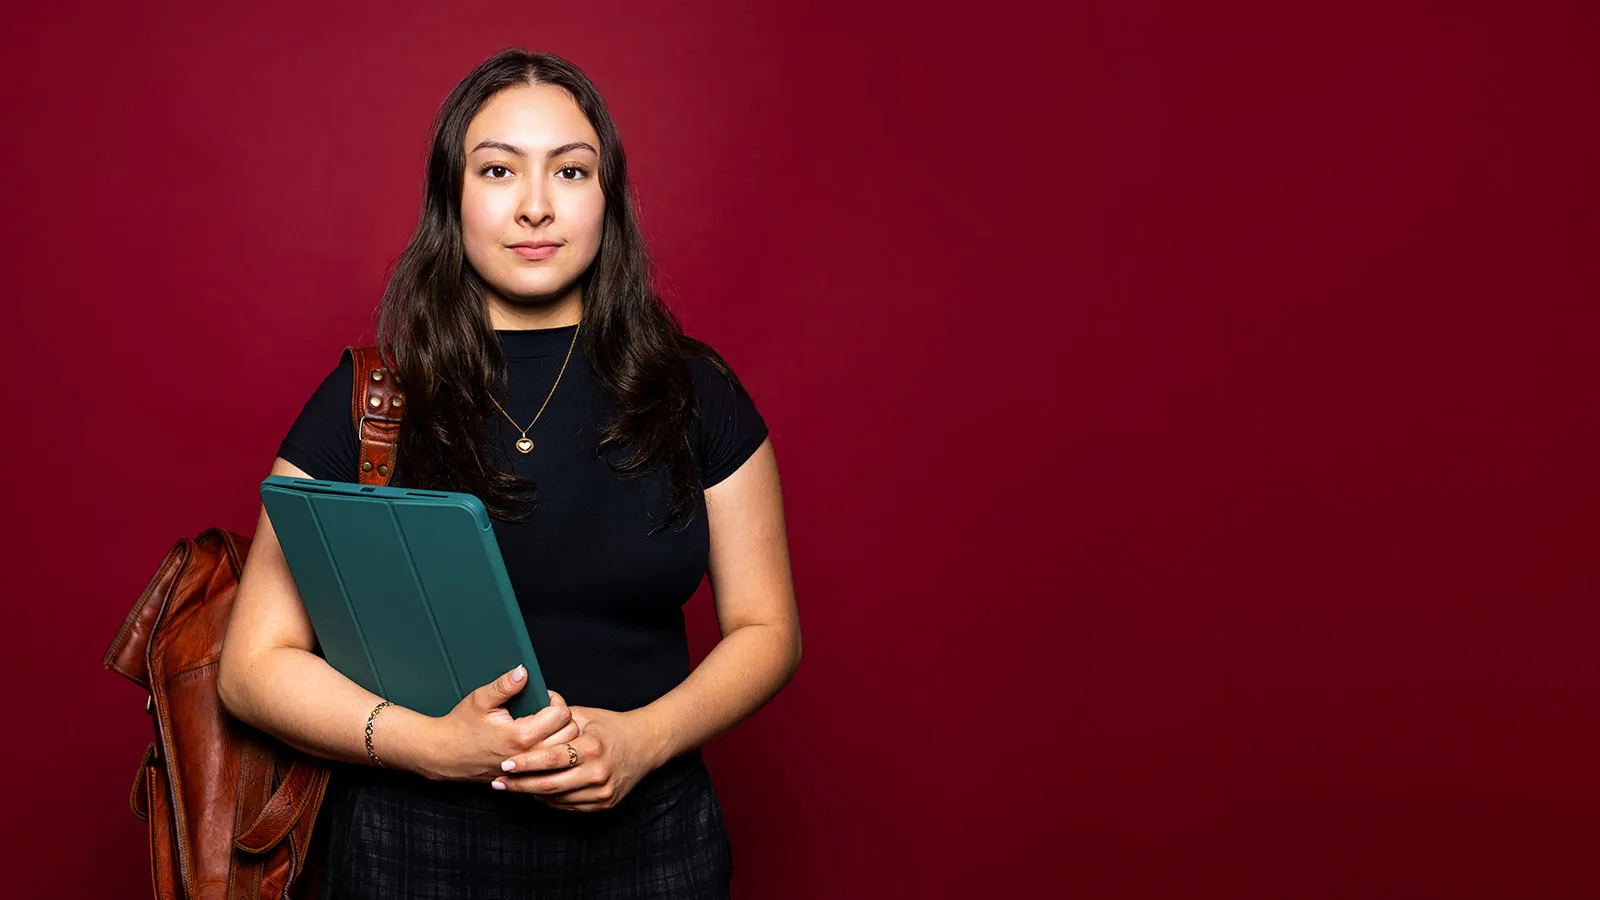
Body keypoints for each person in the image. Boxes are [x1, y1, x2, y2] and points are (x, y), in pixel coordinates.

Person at [216, 48, 801, 899]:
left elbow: (766, 628)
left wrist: (642, 740)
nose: (535, 206)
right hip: (410, 847)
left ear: (609, 199)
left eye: (571, 170)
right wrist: (431, 746)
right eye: (498, 170)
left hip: (650, 838)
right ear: (453, 198)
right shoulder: (375, 399)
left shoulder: (694, 391)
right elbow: (252, 666)